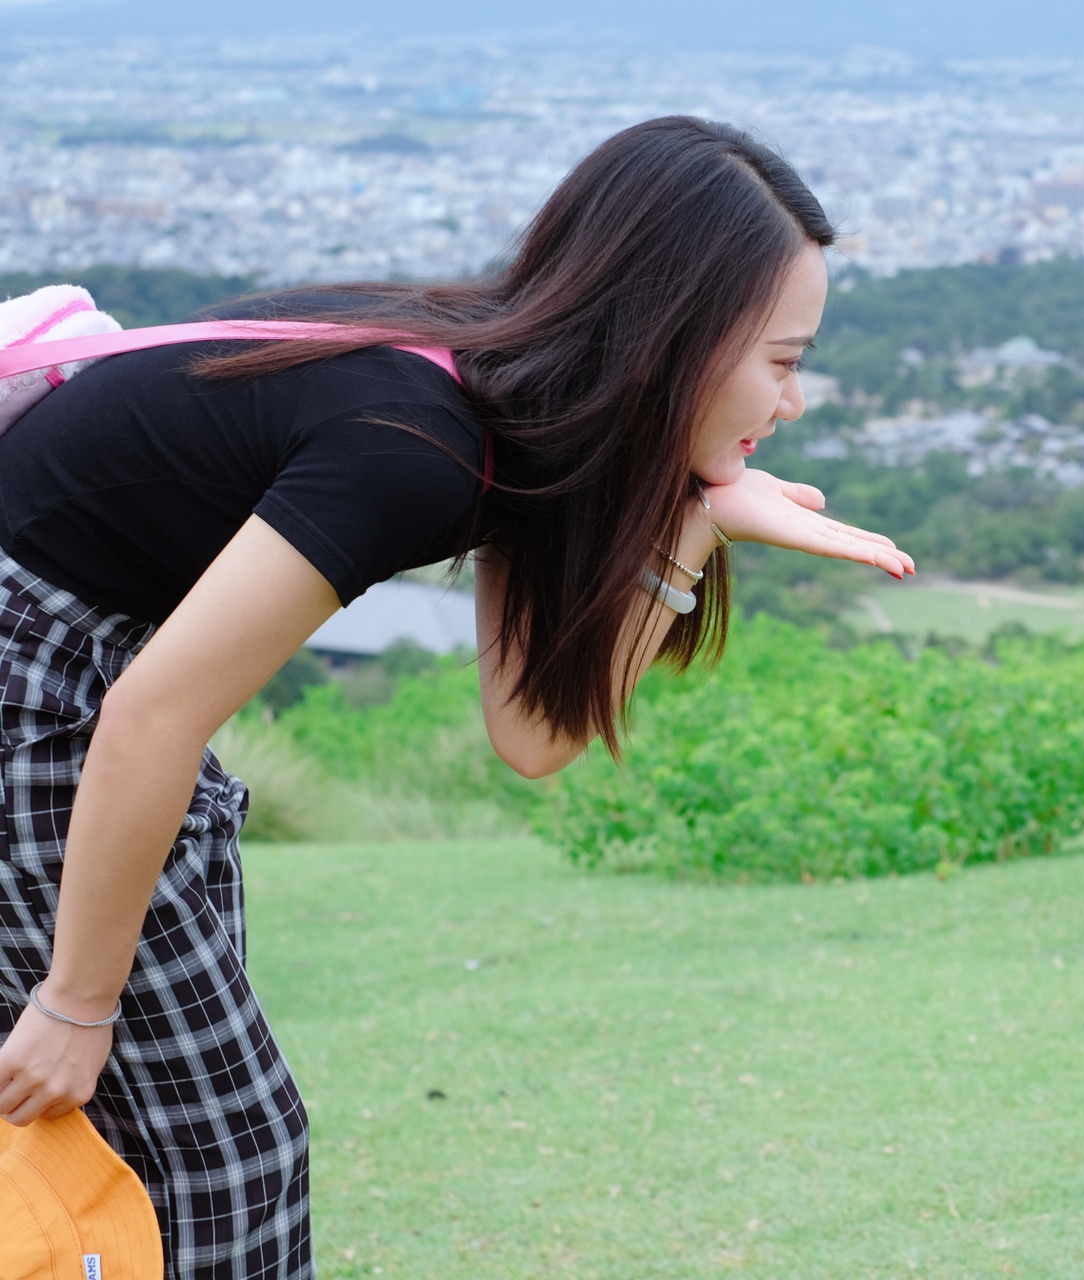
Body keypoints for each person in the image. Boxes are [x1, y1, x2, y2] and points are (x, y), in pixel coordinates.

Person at [0, 116, 910, 1280]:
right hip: (49, 689)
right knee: (226, 1152)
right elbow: (149, 717)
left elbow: (534, 735)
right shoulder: (414, 441)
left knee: (171, 1136)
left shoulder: (511, 413)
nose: (793, 402)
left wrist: (688, 519)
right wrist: (82, 1001)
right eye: (783, 360)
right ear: (676, 340)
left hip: (76, 680)